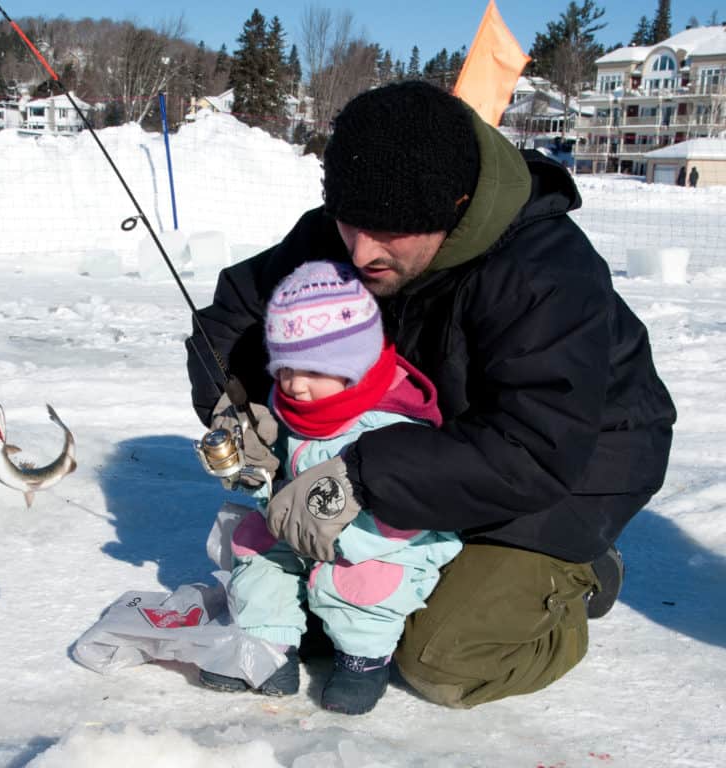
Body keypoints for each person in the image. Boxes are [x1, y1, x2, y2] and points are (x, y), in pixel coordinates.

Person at [186, 81, 676, 709]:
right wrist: (236, 401)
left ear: (457, 205)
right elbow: (234, 317)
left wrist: (360, 478)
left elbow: (535, 451)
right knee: (314, 621)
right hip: (420, 446)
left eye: (390, 229)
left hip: (569, 470)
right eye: (350, 220)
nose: (361, 251)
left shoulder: (544, 274)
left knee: (437, 658)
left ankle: (578, 577)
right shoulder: (341, 237)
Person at [199, 260, 462, 715]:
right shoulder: (293, 407)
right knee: (258, 553)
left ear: (353, 365)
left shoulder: (390, 425)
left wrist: (331, 532)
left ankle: (364, 660)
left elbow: (409, 514)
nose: (294, 385)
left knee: (356, 580)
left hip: (377, 541)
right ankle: (269, 649)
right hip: (300, 526)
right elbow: (281, 473)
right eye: (283, 369)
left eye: (312, 370)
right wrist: (256, 463)